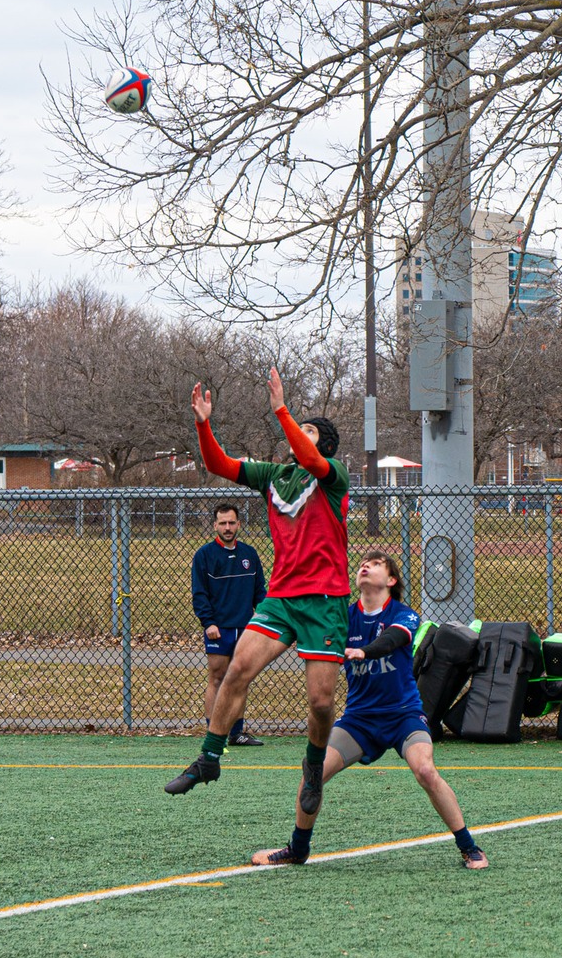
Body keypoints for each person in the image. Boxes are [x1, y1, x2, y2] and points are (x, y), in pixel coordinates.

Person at [166, 368, 350, 811]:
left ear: (321, 443)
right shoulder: (272, 475)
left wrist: (282, 409)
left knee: (321, 703)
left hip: (325, 601)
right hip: (282, 599)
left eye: (306, 431)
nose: (295, 435)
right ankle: (209, 757)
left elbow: (309, 458)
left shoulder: (331, 475)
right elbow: (217, 465)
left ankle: (313, 764)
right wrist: (203, 424)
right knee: (236, 670)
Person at [251, 552, 486, 870]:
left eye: (376, 564)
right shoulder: (344, 618)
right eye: (363, 563)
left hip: (403, 715)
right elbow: (313, 637)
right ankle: (298, 848)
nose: (365, 566)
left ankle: (469, 847)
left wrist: (364, 650)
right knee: (313, 773)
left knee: (426, 771)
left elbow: (391, 640)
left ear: (391, 580)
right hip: (359, 720)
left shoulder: (404, 614)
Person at [192, 502, 266, 747]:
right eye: (222, 523)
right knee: (217, 677)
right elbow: (199, 594)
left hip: (246, 629)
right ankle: (214, 732)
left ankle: (237, 732)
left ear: (239, 524)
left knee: (241, 679)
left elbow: (260, 593)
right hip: (219, 629)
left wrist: (264, 619)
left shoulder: (250, 554)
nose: (227, 527)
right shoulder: (204, 555)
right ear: (215, 525)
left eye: (231, 522)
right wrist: (208, 622)